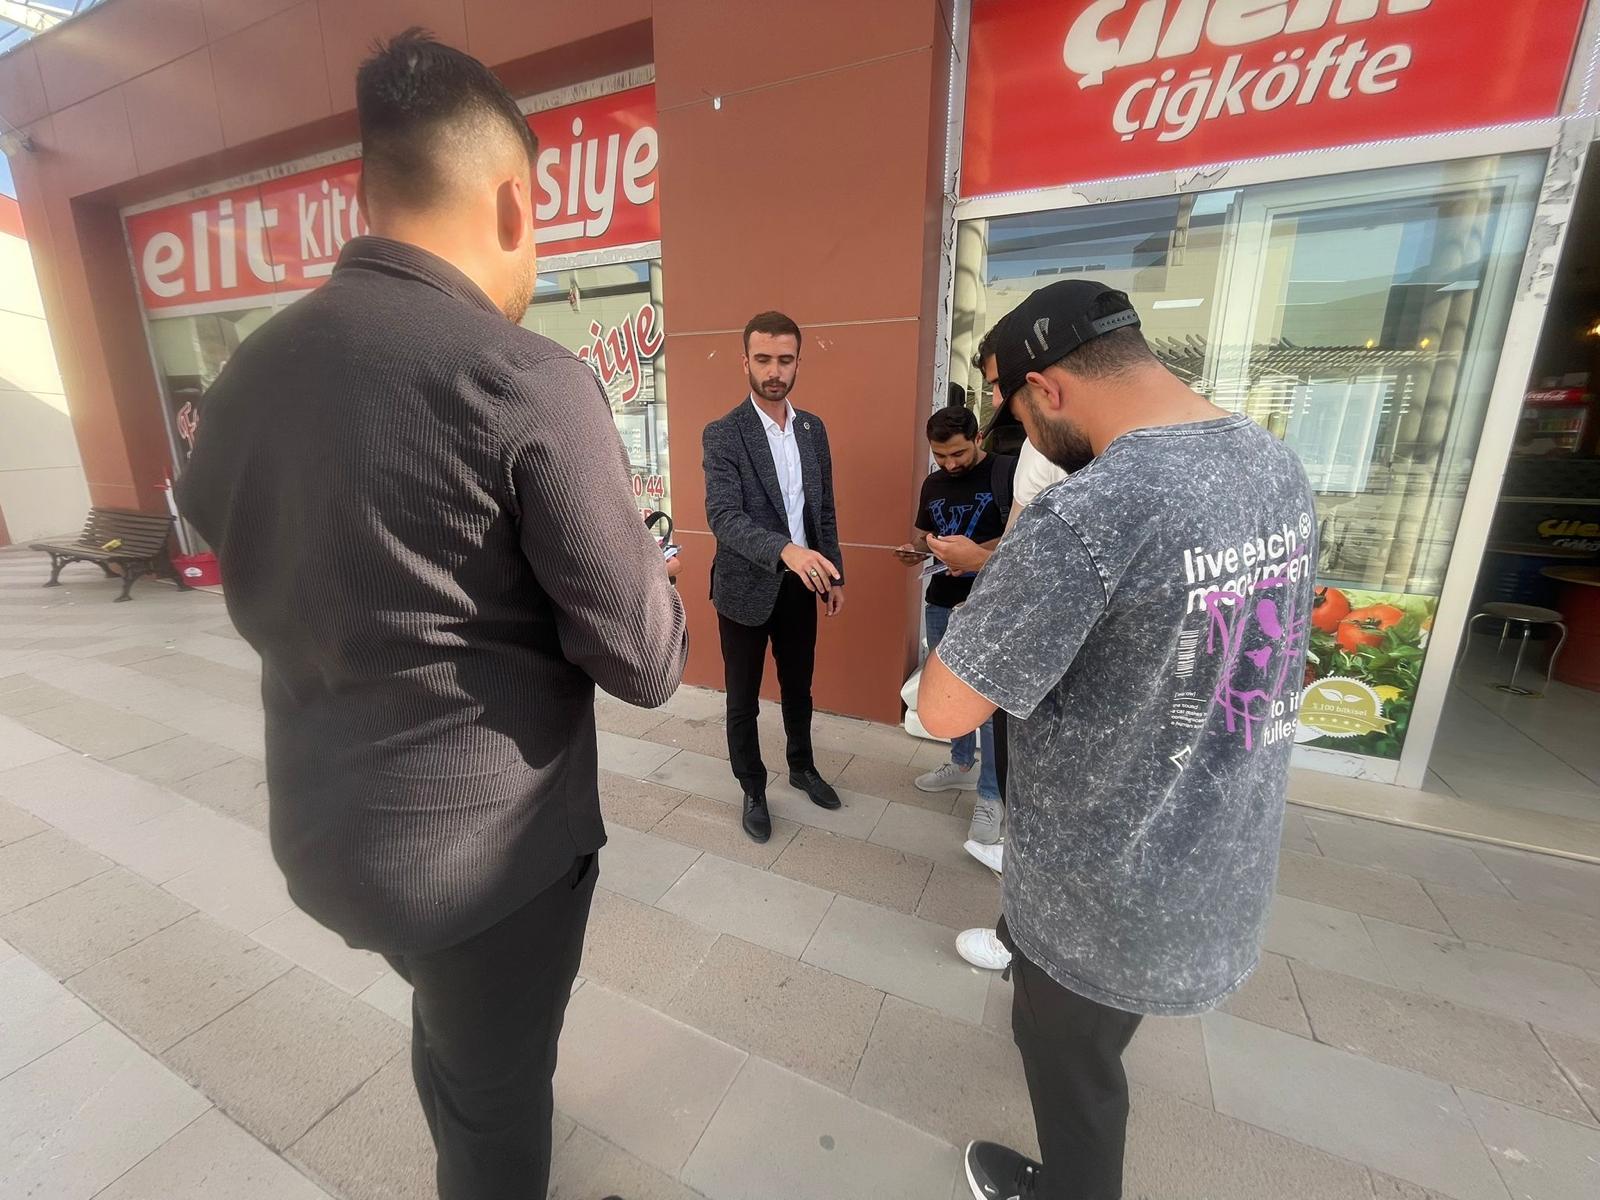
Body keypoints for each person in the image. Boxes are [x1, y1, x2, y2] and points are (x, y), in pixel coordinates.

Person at [176, 30, 687, 1200]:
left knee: (455, 1037)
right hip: (485, 869)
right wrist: (649, 572)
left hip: (325, 839)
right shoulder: (524, 379)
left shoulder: (249, 371)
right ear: (513, 203)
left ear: (371, 191)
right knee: (501, 1109)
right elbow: (646, 658)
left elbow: (228, 526)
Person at [919, 280, 1316, 1200]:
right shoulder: (1273, 463)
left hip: (1101, 890)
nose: (1021, 437)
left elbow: (945, 708)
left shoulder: (1089, 510)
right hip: (1221, 862)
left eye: (1018, 415)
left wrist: (999, 577)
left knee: (1072, 1070)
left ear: (1048, 388)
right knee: (1101, 1038)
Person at [930, 326, 1070, 975]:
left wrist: (977, 582)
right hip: (1041, 654)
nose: (993, 400)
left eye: (995, 385)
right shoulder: (1053, 449)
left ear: (1039, 382)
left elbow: (1021, 559)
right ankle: (1021, 930)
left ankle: (1026, 940)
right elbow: (1018, 551)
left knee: (1041, 797)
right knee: (1035, 796)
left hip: (1045, 655)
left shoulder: (1047, 460)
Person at [703, 312, 845, 842]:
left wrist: (833, 571)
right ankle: (752, 787)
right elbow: (724, 517)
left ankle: (802, 766)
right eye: (763, 359)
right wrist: (787, 551)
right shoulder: (724, 434)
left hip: (802, 585)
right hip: (744, 587)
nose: (774, 371)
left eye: (785, 360)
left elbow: (823, 508)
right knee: (742, 697)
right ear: (745, 362)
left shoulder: (813, 429)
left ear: (798, 362)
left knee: (798, 686)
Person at [895, 403, 1015, 849]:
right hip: (942, 601)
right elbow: (922, 534)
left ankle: (991, 795)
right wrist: (914, 550)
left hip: (989, 605)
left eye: (959, 453)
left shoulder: (1006, 472)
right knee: (949, 692)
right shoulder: (933, 483)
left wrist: (973, 553)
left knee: (986, 705)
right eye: (940, 455)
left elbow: (1025, 537)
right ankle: (961, 764)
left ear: (978, 438)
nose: (949, 464)